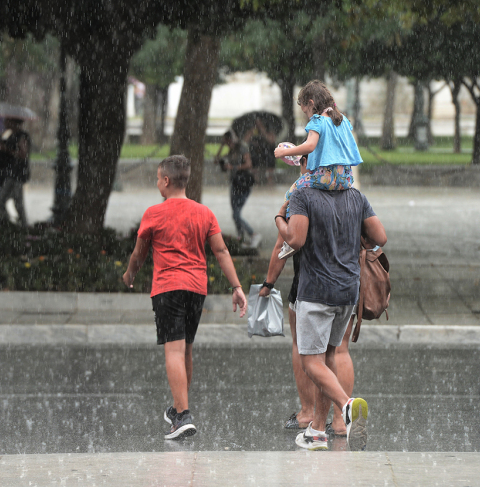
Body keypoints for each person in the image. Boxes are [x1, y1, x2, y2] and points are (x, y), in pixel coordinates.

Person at [123, 155, 248, 440]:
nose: (157, 183)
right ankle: (180, 411)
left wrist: (130, 275)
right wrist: (236, 286)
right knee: (187, 349)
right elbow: (221, 252)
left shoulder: (154, 213)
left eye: (157, 178)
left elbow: (139, 254)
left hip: (168, 288)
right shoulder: (204, 213)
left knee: (174, 351)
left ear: (166, 181)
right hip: (196, 289)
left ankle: (183, 415)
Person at [273, 183, 386, 452]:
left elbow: (294, 240)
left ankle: (347, 407)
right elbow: (380, 236)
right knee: (330, 356)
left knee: (310, 360)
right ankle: (317, 431)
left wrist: (279, 218)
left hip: (316, 290)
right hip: (348, 290)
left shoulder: (303, 195)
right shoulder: (355, 196)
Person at [259, 156, 355, 437]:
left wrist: (269, 282)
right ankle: (339, 421)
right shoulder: (350, 193)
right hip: (348, 283)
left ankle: (308, 412)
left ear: (305, 164)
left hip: (311, 286)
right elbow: (373, 237)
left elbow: (286, 243)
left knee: (306, 350)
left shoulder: (301, 194)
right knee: (339, 350)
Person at [274, 80, 363, 260]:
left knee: (292, 192)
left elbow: (310, 145)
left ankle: (291, 236)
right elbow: (332, 148)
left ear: (311, 103)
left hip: (326, 178)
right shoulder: (343, 120)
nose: (307, 116)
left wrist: (285, 151)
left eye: (305, 111)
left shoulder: (318, 120)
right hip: (345, 178)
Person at [214, 130, 262, 248]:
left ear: (233, 139)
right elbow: (216, 160)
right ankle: (241, 238)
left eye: (229, 141)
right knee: (235, 214)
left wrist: (233, 167)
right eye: (226, 141)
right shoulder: (231, 150)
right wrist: (221, 146)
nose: (228, 143)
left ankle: (253, 234)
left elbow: (248, 164)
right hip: (235, 183)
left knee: (236, 215)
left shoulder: (242, 147)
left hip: (244, 183)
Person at [0, 117, 31, 229]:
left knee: (18, 203)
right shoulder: (10, 135)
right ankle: (6, 223)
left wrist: (7, 150)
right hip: (11, 172)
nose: (4, 123)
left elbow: (23, 154)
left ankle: (24, 226)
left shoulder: (22, 136)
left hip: (19, 173)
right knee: (1, 200)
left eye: (7, 121)